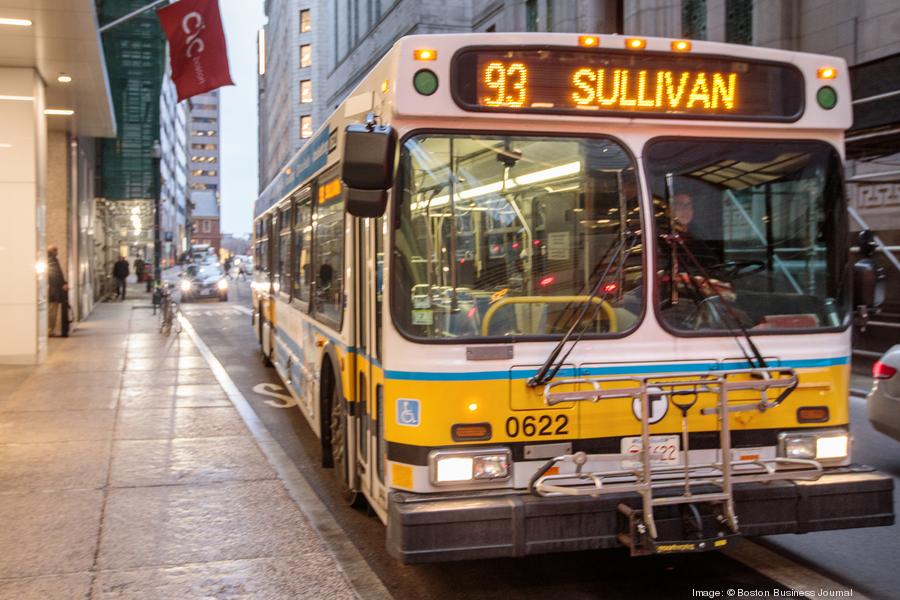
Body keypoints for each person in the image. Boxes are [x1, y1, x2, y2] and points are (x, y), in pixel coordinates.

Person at [46, 245, 69, 337]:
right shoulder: (51, 260)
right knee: (52, 310)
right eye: (56, 250)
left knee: (52, 310)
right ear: (52, 251)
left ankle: (50, 329)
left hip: (53, 289)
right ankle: (50, 330)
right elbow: (56, 275)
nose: (57, 252)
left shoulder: (52, 260)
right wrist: (63, 284)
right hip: (53, 290)